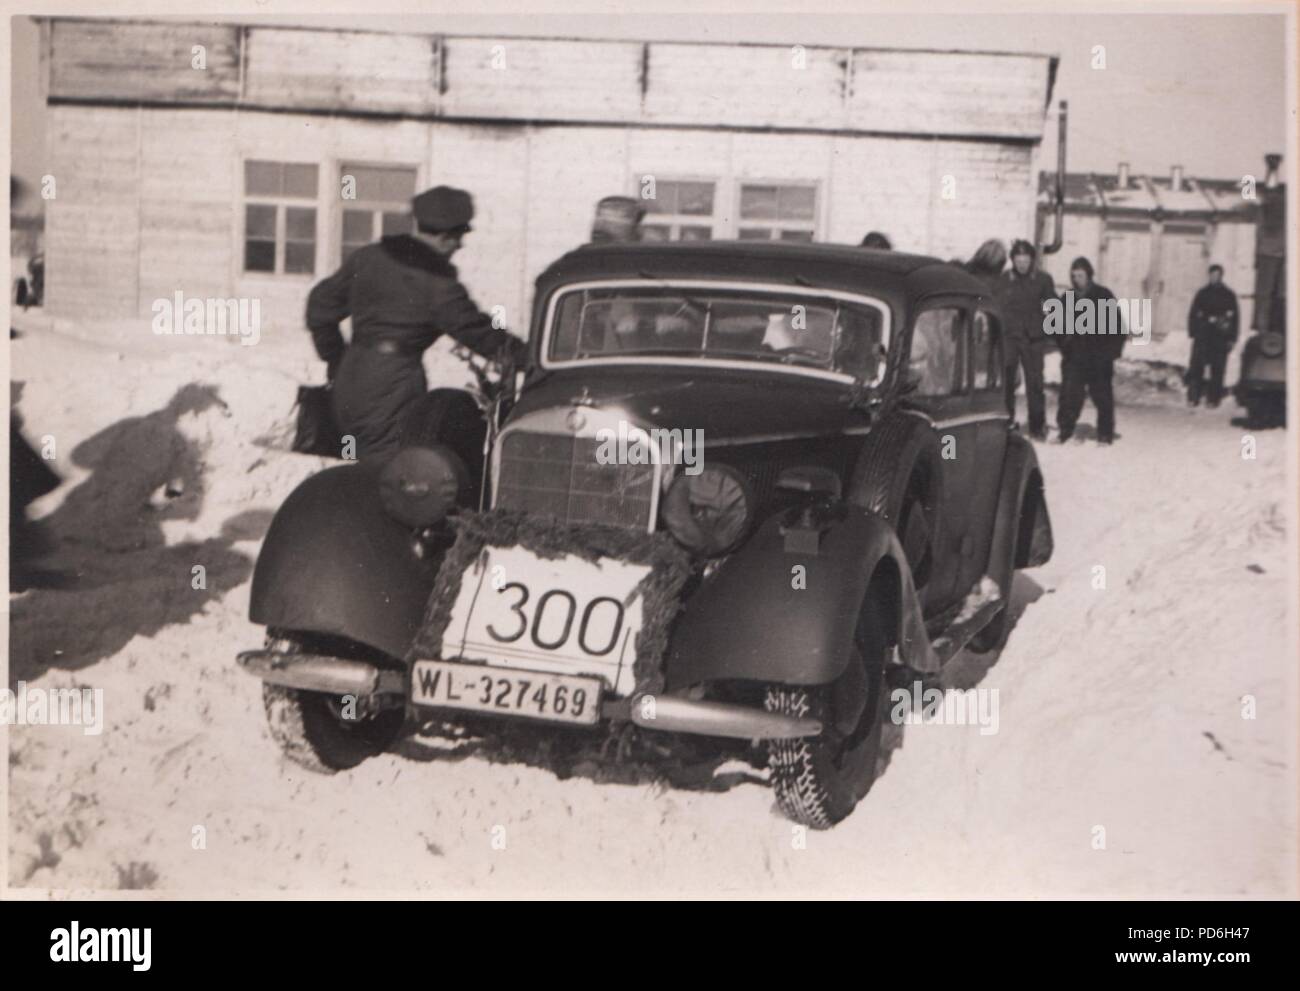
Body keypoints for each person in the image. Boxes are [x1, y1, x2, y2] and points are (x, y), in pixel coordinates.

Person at [305, 185, 525, 460]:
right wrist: (528, 356)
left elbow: (319, 306)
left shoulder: (369, 257)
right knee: (389, 471)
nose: (460, 245)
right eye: (459, 236)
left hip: (350, 374)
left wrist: (335, 359)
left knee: (354, 462)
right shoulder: (437, 285)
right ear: (445, 236)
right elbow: (479, 332)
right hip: (391, 386)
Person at [1055, 256, 1124, 444]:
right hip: (1074, 357)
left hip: (1099, 357)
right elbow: (1057, 326)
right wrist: (1065, 345)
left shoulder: (1103, 295)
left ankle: (1105, 433)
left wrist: (1111, 352)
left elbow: (1118, 327)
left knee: (1102, 396)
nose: (1077, 279)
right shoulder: (1067, 298)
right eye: (1074, 276)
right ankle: (1065, 431)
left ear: (1089, 275)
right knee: (1069, 396)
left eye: (1081, 275)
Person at [1000, 239, 1057, 439]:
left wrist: (1052, 336)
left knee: (1035, 384)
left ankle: (1037, 426)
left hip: (1034, 339)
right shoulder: (1004, 280)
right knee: (1007, 383)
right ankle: (1006, 423)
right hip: (1010, 338)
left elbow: (1052, 308)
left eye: (1026, 260)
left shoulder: (1043, 279)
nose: (1022, 264)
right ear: (1013, 260)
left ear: (1032, 260)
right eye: (1018, 259)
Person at [1185, 264, 1239, 408]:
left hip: (1220, 338)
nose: (1215, 278)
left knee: (1218, 369)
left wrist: (1232, 338)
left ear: (1221, 276)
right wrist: (1193, 332)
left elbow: (1235, 319)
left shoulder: (1228, 295)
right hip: (1203, 336)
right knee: (1196, 368)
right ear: (1209, 276)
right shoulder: (1202, 293)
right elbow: (1193, 313)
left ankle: (1213, 399)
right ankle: (1193, 397)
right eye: (1212, 275)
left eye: (1217, 275)